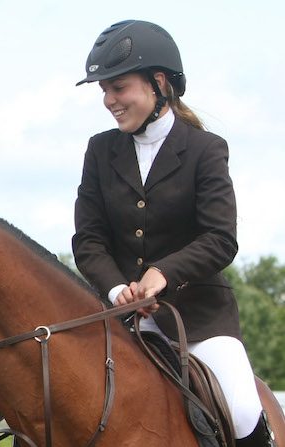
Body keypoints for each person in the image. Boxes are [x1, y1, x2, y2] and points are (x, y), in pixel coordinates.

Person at [72, 20, 274, 446]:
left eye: (118, 87)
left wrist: (162, 273)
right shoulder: (100, 150)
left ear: (158, 82)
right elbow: (88, 241)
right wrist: (116, 291)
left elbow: (221, 237)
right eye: (103, 91)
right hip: (124, 321)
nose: (109, 101)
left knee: (240, 409)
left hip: (199, 319)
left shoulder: (205, 150)